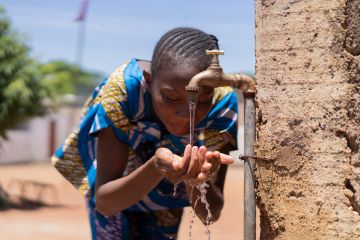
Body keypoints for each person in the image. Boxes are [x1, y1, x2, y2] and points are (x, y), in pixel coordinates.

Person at [51, 27, 238, 239]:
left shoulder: (222, 104)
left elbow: (210, 214)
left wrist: (196, 180)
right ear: (149, 81)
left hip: (165, 197)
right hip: (118, 190)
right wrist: (156, 167)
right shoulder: (123, 91)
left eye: (203, 100)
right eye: (171, 98)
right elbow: (106, 202)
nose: (186, 115)